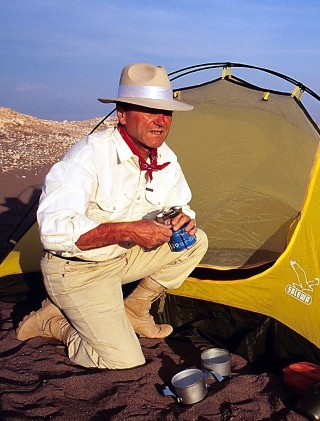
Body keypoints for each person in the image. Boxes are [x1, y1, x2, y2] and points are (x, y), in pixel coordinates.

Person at [15, 63, 208, 369]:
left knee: (196, 241)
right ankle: (54, 323)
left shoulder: (166, 157)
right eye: (148, 110)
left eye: (166, 112)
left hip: (121, 260)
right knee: (124, 360)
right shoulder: (90, 156)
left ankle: (135, 308)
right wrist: (129, 230)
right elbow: (53, 230)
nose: (160, 121)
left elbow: (181, 204)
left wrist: (183, 218)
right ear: (121, 114)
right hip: (76, 271)